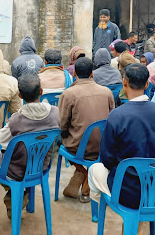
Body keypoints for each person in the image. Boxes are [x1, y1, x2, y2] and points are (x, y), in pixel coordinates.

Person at [88, 64, 155, 234]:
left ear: (124, 82)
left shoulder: (117, 115)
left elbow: (107, 159)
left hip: (127, 190)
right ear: (147, 84)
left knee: (94, 169)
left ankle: (106, 207)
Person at [0, 73, 60, 218]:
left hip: (17, 172)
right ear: (41, 91)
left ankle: (15, 195)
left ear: (19, 95)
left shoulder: (15, 120)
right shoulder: (55, 113)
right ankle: (20, 195)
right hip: (41, 167)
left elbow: (2, 140)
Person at [59, 57, 114, 203]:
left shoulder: (68, 94)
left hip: (78, 148)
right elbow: (111, 120)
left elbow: (62, 125)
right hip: (104, 146)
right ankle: (84, 177)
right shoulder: (107, 92)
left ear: (74, 73)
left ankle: (84, 173)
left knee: (57, 140)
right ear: (92, 74)